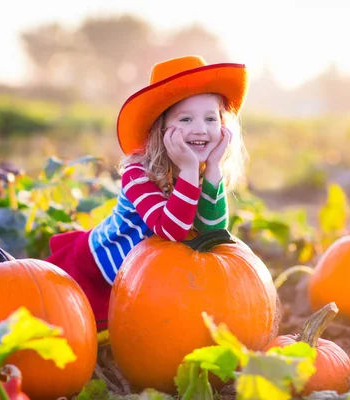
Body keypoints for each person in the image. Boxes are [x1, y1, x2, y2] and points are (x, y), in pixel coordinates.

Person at [45, 55, 250, 331]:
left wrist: (212, 168)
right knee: (67, 325)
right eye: (186, 118)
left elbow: (213, 232)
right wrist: (189, 169)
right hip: (100, 272)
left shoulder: (203, 171)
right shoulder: (138, 172)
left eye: (210, 118)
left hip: (145, 279)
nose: (200, 129)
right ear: (161, 128)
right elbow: (170, 230)